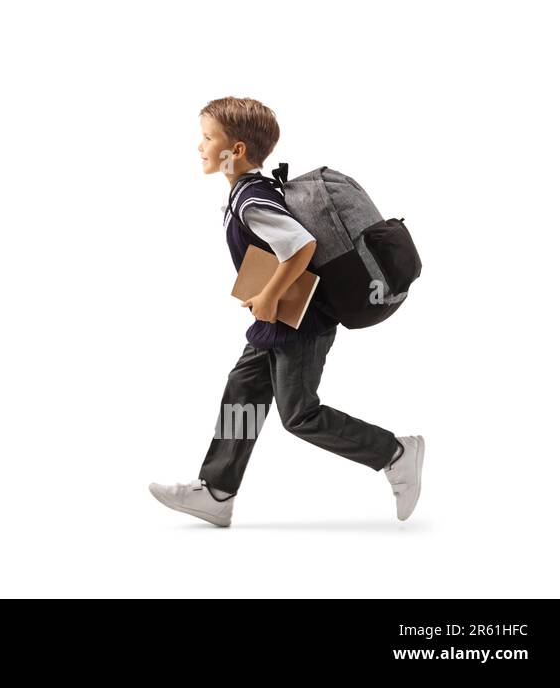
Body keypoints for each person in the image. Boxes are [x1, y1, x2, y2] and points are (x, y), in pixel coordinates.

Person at [148, 96, 425, 527]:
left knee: (300, 415)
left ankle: (396, 452)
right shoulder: (250, 193)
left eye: (207, 137)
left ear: (236, 150)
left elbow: (300, 246)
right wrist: (266, 300)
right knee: (243, 392)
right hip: (276, 325)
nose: (199, 145)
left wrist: (271, 296)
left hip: (301, 327)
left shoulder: (252, 199)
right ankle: (218, 491)